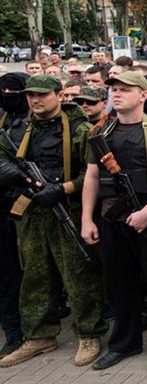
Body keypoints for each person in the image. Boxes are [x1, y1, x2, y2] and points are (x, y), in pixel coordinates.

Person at [0, 75, 106, 369]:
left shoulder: (79, 129)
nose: (34, 100)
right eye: (30, 95)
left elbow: (93, 174)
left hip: (67, 209)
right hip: (32, 211)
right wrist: (18, 178)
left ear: (59, 95)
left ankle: (89, 333)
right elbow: (3, 159)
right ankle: (38, 334)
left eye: (42, 95)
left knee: (78, 273)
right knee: (35, 274)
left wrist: (63, 188)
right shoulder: (19, 129)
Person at [79, 72, 147, 373]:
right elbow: (92, 176)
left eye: (125, 90)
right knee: (118, 284)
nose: (117, 95)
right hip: (113, 217)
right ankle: (124, 343)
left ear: (143, 95)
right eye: (114, 90)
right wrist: (87, 219)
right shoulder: (101, 130)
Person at [0, 73, 29, 357]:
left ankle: (20, 330)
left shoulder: (34, 123)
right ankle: (12, 329)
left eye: (13, 90)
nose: (7, 94)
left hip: (24, 202)